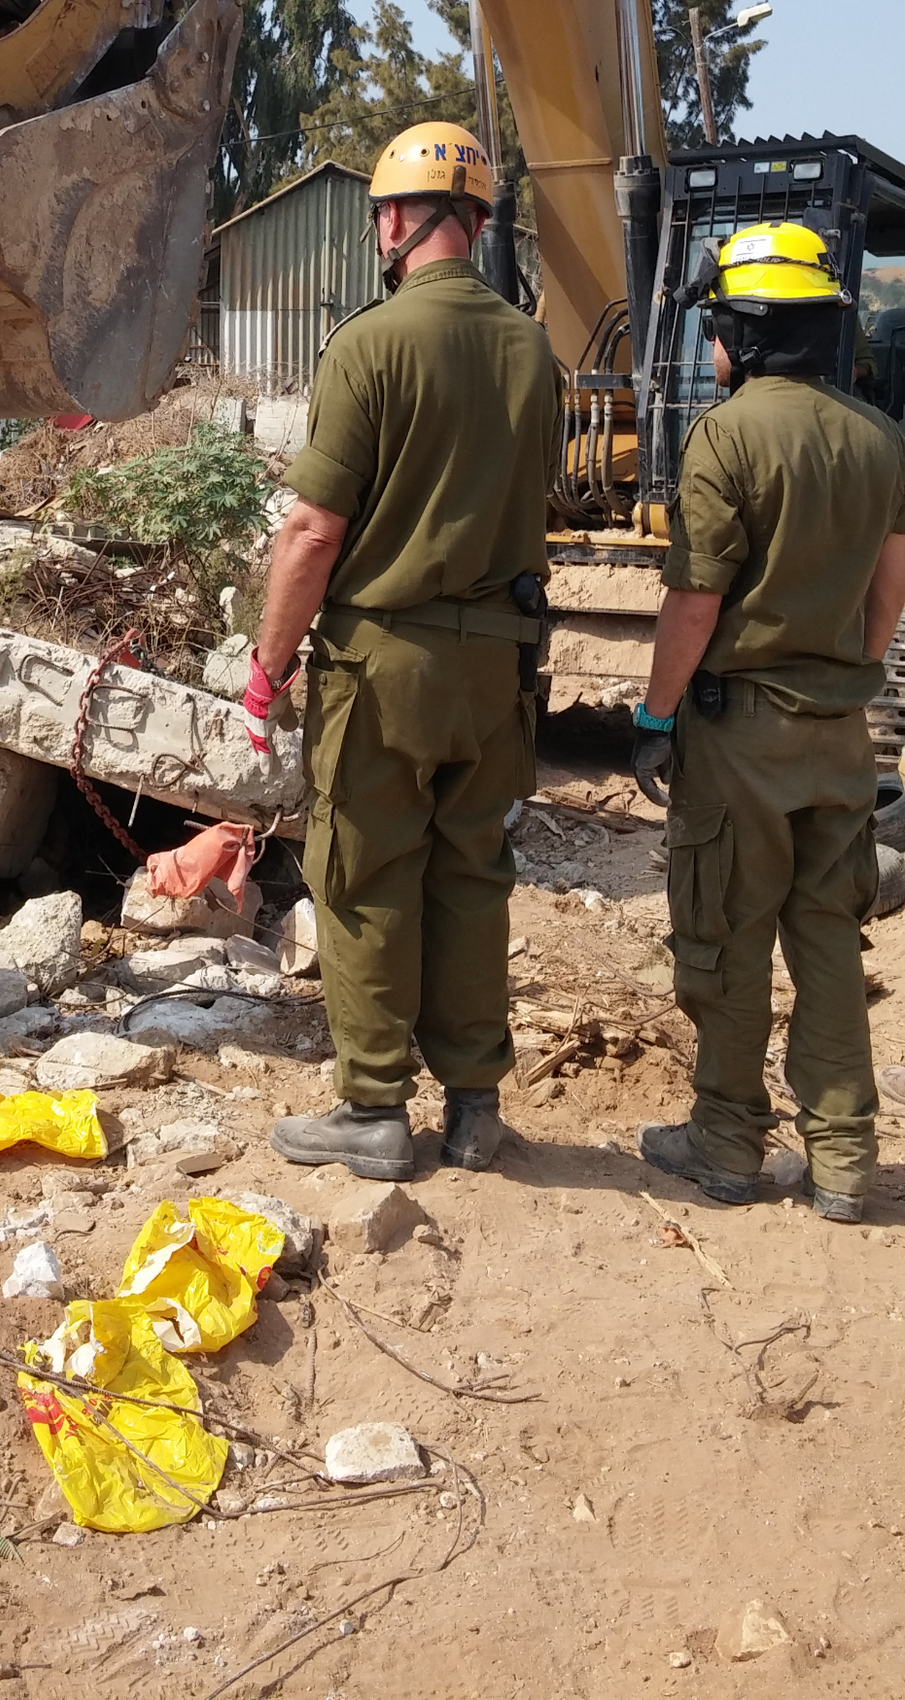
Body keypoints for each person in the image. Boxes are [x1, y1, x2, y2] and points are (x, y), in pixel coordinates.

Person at [243, 122, 563, 1182]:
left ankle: (373, 1106)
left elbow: (312, 532)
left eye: (381, 211)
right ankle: (474, 1108)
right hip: (497, 672)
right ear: (473, 222)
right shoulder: (531, 349)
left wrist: (266, 666)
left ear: (397, 218)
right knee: (473, 874)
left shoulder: (371, 344)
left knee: (367, 871)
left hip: (385, 665)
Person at [632, 221, 905, 1221]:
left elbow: (692, 604)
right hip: (838, 735)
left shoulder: (727, 436)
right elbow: (887, 592)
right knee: (828, 940)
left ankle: (724, 1145)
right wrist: (849, 678)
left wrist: (652, 716)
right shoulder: (877, 439)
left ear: (743, 335)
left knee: (725, 938)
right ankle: (840, 1161)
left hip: (737, 737)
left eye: (714, 324)